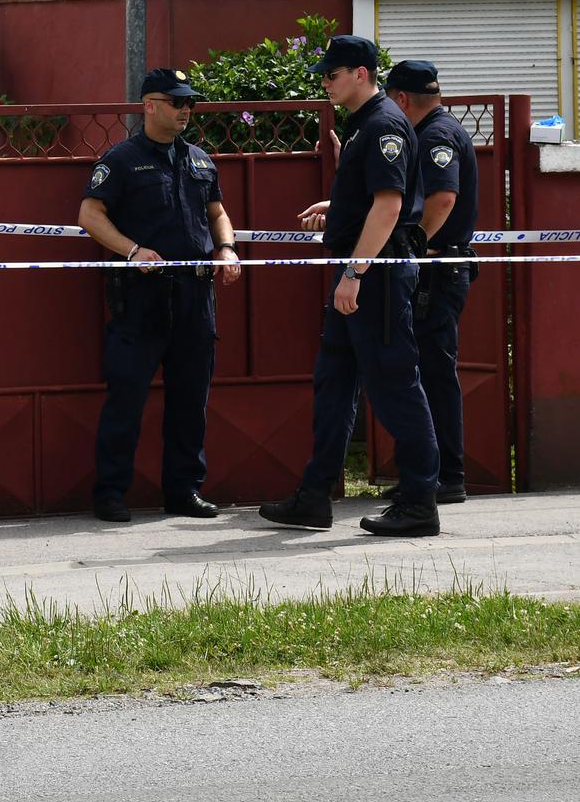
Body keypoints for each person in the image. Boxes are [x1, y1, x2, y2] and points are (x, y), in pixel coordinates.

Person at [259, 36, 441, 536]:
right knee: (333, 383)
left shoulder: (383, 123)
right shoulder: (362, 124)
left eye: (332, 73)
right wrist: (335, 208)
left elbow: (389, 206)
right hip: (362, 277)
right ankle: (314, 498)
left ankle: (420, 502)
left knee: (395, 385)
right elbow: (369, 200)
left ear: (360, 73)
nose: (324, 81)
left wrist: (354, 274)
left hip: (375, 278)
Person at [79, 68, 242, 523]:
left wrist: (227, 249)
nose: (185, 109)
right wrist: (131, 251)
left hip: (195, 295)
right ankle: (111, 494)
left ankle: (184, 491)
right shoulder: (123, 159)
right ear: (149, 105)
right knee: (126, 399)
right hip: (142, 298)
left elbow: (217, 211)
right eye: (176, 102)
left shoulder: (200, 160)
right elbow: (90, 214)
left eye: (189, 102)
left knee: (191, 400)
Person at [382, 60, 477, 504]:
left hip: (437, 272)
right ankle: (430, 474)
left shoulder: (435, 136)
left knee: (434, 374)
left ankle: (446, 477)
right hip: (436, 270)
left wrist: (413, 247)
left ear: (401, 100)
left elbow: (442, 198)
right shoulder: (433, 131)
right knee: (424, 371)